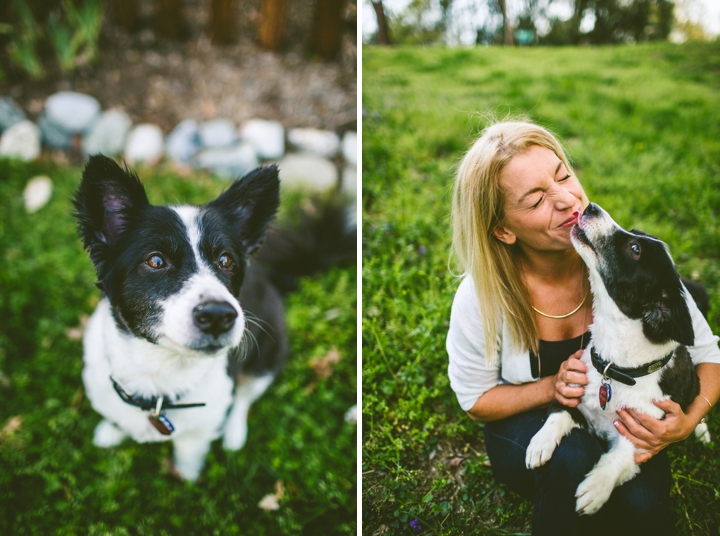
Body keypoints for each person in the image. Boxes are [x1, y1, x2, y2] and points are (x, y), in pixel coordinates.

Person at [446, 119, 720, 536]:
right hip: (530, 421)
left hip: (618, 415)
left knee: (643, 506)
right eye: (536, 200)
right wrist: (551, 387)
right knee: (572, 460)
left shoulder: (622, 261)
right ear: (503, 229)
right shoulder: (482, 297)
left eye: (563, 175)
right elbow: (475, 399)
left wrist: (689, 419)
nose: (565, 199)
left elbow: (706, 354)